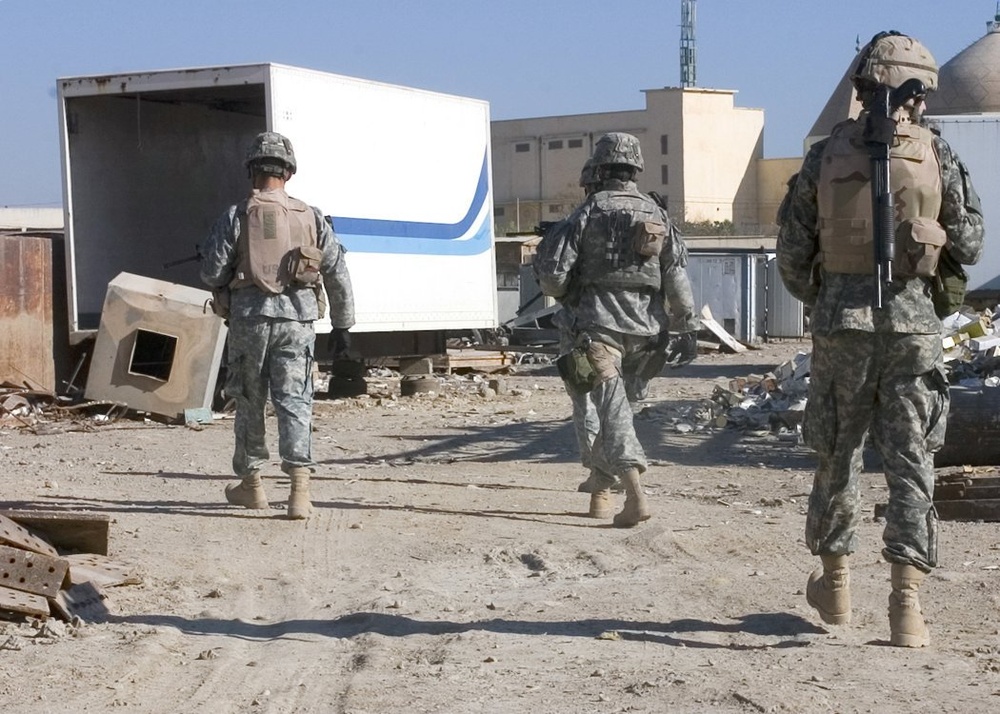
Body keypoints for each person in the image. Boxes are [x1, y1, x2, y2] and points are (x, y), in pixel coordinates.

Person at [776, 32, 984, 647]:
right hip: (914, 331)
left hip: (843, 329)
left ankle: (835, 586)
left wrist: (827, 299)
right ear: (919, 92)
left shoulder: (822, 156)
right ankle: (906, 607)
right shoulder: (937, 154)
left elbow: (792, 252)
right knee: (911, 461)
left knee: (836, 455)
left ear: (862, 84)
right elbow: (969, 243)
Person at [535, 132, 699, 527]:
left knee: (599, 409)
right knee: (621, 409)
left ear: (600, 167)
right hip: (647, 334)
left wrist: (572, 291)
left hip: (594, 330)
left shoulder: (587, 212)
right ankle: (601, 489)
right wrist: (686, 327)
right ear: (637, 167)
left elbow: (553, 278)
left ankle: (631, 495)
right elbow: (677, 281)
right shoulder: (657, 215)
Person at [201, 131, 356, 520]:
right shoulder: (313, 217)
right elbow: (337, 272)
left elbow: (211, 271)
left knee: (250, 401)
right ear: (288, 172)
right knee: (295, 401)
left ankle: (252, 487)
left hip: (250, 322)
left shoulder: (236, 216)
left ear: (252, 170)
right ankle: (299, 493)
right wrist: (343, 326)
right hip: (298, 321)